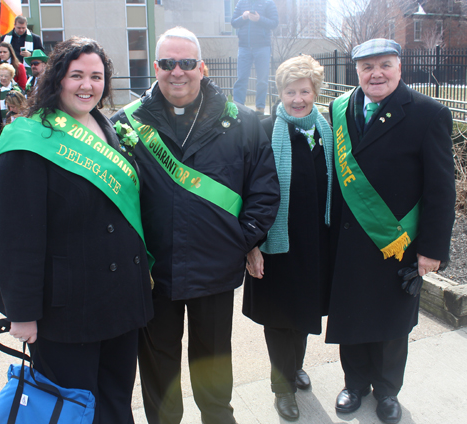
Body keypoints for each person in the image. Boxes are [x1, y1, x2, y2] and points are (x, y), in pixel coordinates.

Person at [111, 26, 280, 424]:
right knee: (158, 364)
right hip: (153, 273)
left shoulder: (243, 122)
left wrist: (242, 239)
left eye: (187, 63)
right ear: (156, 67)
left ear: (202, 67)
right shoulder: (125, 125)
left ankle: (218, 417)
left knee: (214, 359)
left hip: (215, 269)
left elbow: (264, 189)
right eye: (168, 63)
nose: (178, 72)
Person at [0, 36, 153, 424]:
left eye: (96, 76)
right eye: (76, 75)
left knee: (115, 399)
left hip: (120, 302)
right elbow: (17, 238)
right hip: (64, 309)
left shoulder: (106, 127)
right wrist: (21, 313)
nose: (87, 85)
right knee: (69, 407)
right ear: (57, 78)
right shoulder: (27, 137)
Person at [327, 39, 455, 424]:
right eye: (367, 67)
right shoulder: (340, 108)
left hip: (397, 243)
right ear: (356, 71)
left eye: (385, 64)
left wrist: (432, 249)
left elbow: (441, 189)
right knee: (350, 315)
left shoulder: (428, 113)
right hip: (348, 240)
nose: (376, 73)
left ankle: (386, 390)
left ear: (400, 67)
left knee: (392, 322)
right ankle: (354, 383)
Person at [243, 54, 334, 421]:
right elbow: (244, 190)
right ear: (279, 92)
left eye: (304, 91)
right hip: (276, 245)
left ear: (315, 92)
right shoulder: (264, 131)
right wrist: (250, 245)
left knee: (305, 314)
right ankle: (282, 388)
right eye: (290, 91)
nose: (298, 99)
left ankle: (294, 366)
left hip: (316, 244)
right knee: (280, 320)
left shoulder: (327, 134)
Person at [231, 0, 278, 114]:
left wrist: (259, 19)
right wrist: (243, 17)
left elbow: (274, 23)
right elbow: (233, 23)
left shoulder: (268, 3)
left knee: (262, 79)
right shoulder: (241, 3)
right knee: (241, 78)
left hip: (262, 47)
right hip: (244, 47)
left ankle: (260, 108)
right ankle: (238, 107)